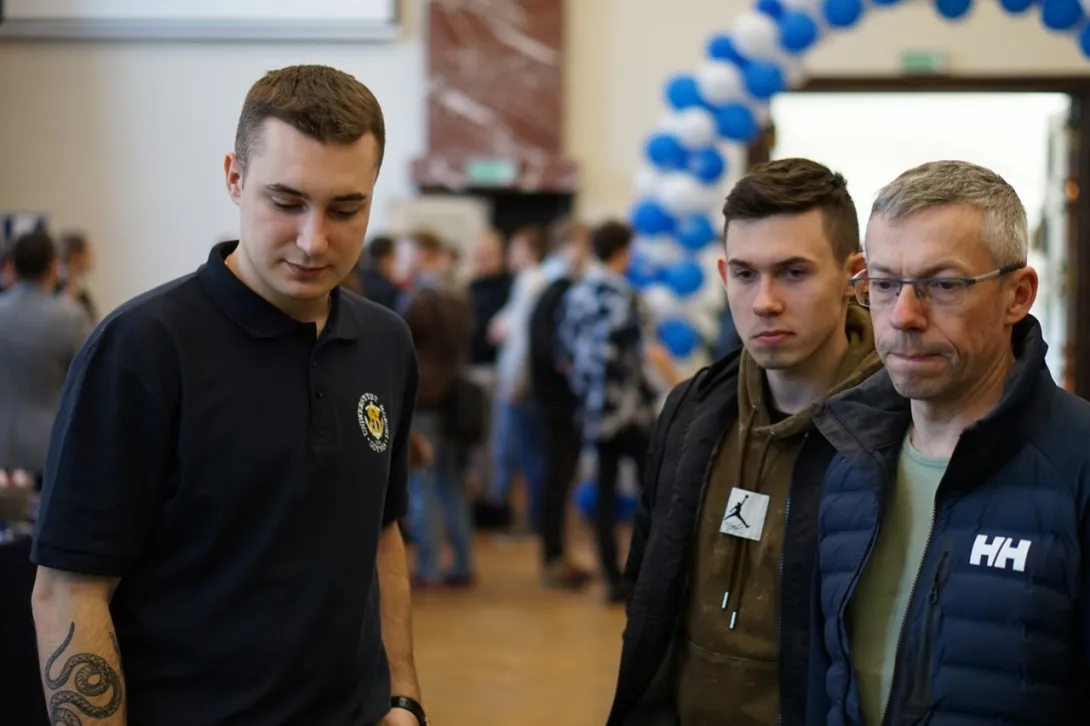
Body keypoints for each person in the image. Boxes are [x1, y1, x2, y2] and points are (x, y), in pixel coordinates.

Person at [30, 65, 429, 726]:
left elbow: (381, 535)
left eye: (344, 209)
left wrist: (403, 699)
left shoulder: (386, 343)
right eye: (286, 202)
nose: (314, 240)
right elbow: (69, 589)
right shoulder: (141, 350)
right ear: (234, 179)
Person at [807, 160, 1090, 726]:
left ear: (1018, 295)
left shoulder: (1077, 464)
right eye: (884, 285)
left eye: (943, 285)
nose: (904, 316)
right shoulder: (847, 464)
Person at [606, 158, 882, 725]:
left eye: (794, 273)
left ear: (853, 278)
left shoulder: (897, 427)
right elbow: (650, 586)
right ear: (722, 273)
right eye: (745, 274)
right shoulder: (693, 411)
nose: (764, 302)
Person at [558, 220, 663, 605]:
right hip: (631, 410)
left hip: (593, 409)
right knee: (653, 491)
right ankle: (646, 575)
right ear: (622, 252)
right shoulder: (629, 296)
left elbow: (566, 351)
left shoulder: (576, 295)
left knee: (602, 494)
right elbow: (647, 351)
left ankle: (610, 578)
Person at [0, 231, 92, 475]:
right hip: (50, 446)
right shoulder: (71, 318)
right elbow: (89, 381)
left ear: (13, 267)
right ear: (54, 267)